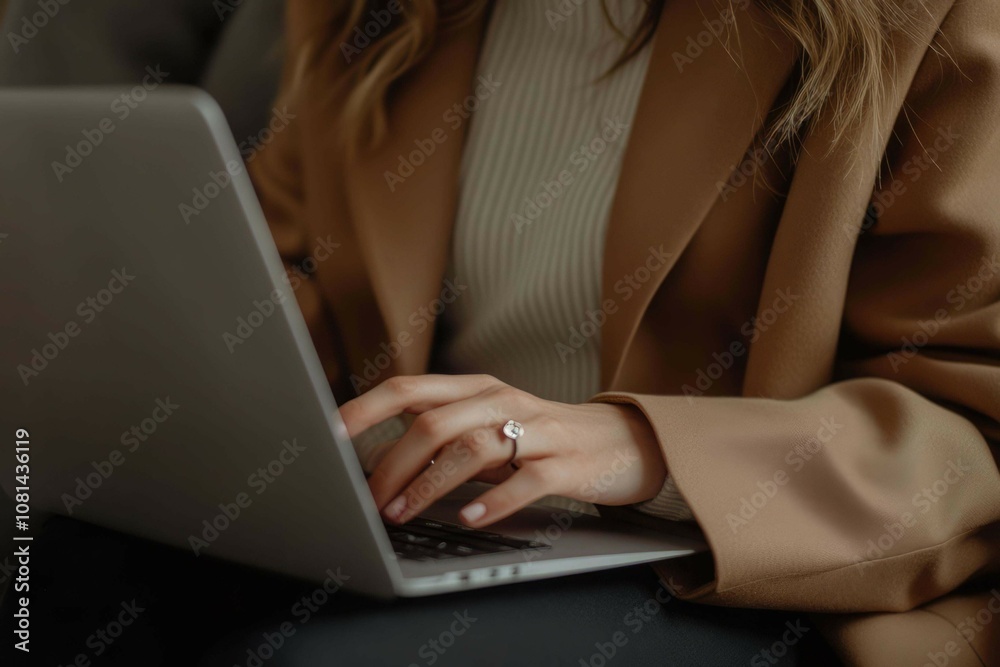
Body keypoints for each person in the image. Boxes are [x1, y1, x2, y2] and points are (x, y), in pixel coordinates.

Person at [249, 0, 1000, 664]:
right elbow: (294, 259)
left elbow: (972, 427)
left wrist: (644, 445)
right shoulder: (361, 12)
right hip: (424, 514)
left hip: (750, 569)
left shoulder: (930, 16)